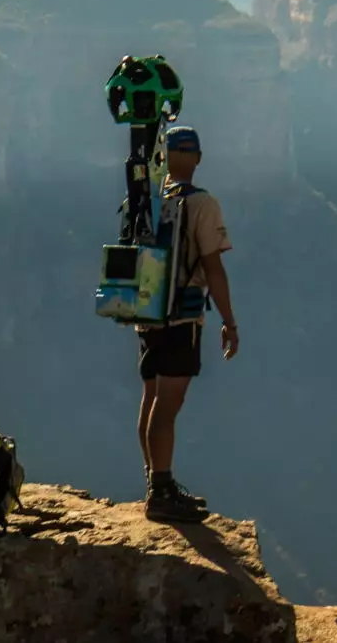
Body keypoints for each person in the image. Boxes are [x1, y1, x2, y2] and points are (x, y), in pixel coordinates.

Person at [137, 124, 238, 524]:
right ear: (196, 158)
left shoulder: (150, 198)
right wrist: (229, 320)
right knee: (169, 403)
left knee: (150, 397)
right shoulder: (202, 204)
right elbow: (213, 266)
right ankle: (161, 492)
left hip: (146, 312)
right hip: (181, 315)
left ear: (165, 157)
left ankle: (155, 481)